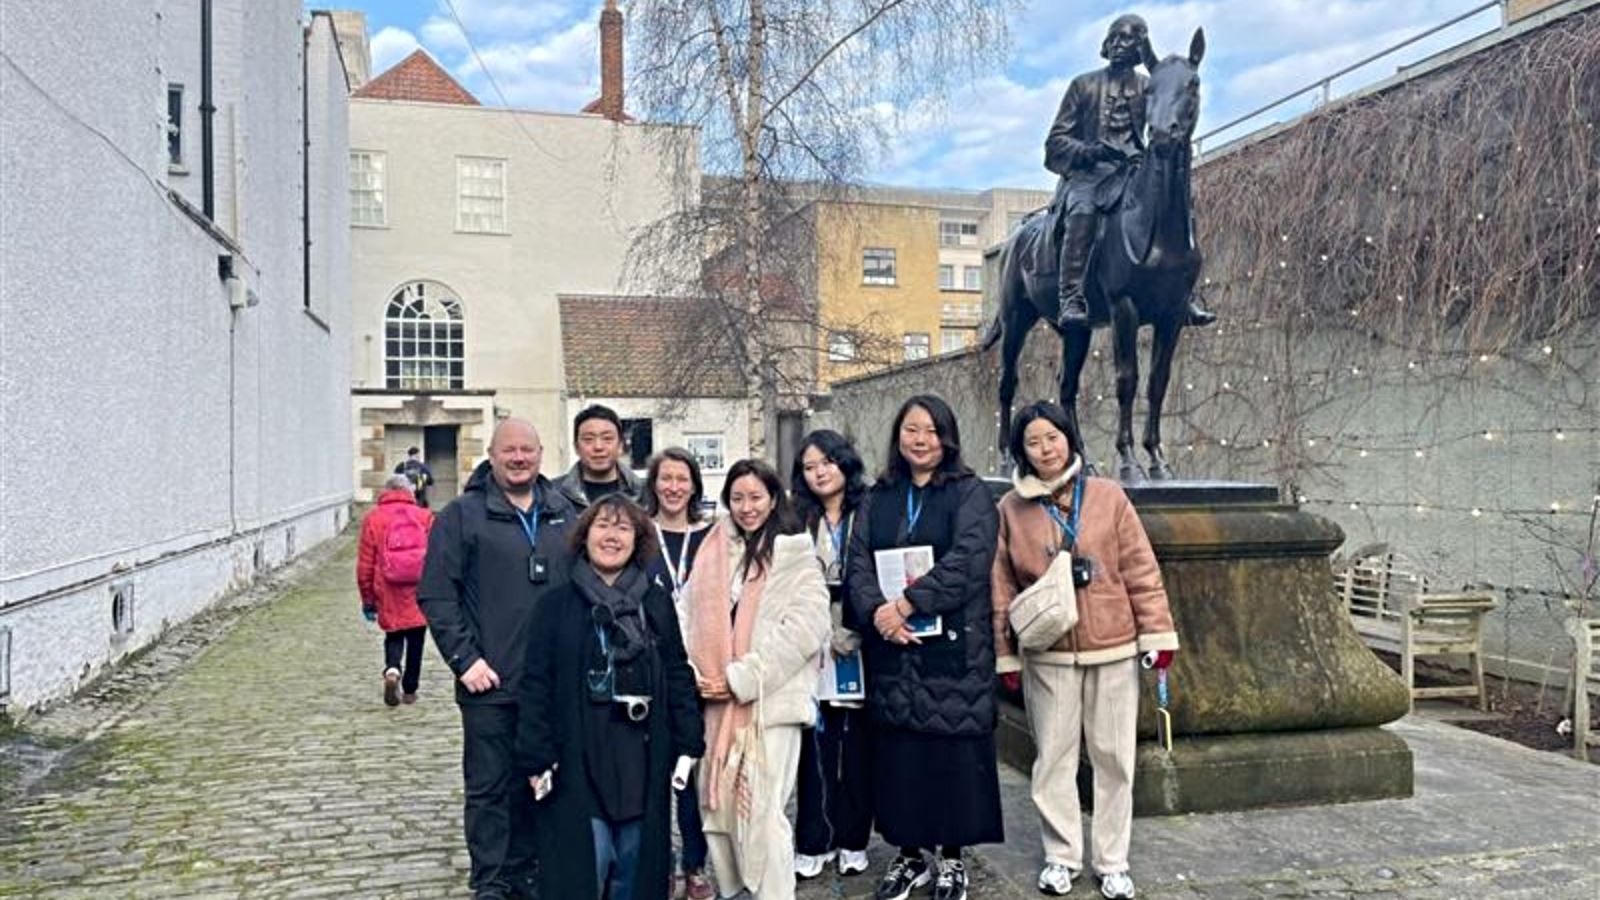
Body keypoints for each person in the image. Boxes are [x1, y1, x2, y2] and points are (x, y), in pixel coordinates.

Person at [991, 401, 1178, 900]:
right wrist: (1005, 652)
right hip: (1047, 651)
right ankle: (1061, 854)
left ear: (1069, 437)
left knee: (1114, 756)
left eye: (1052, 437)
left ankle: (1113, 859)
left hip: (1113, 646)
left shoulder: (1109, 497)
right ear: (1022, 450)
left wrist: (1157, 636)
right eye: (1033, 441)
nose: (1045, 449)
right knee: (1052, 756)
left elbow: (1140, 569)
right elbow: (1001, 585)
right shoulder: (1011, 507)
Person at [846, 394, 1002, 900]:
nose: (921, 440)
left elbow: (969, 561)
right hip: (893, 647)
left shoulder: (969, 492)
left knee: (951, 754)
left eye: (932, 431)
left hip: (953, 647)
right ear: (898, 436)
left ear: (948, 437)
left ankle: (953, 857)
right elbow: (858, 562)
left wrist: (909, 603)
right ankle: (911, 854)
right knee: (900, 757)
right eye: (912, 429)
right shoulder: (879, 495)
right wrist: (880, 615)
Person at [418, 418, 578, 900]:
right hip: (488, 683)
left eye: (527, 450)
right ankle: (491, 879)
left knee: (544, 786)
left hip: (550, 686)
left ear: (541, 453)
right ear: (491, 453)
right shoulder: (462, 516)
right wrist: (465, 660)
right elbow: (436, 595)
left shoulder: (565, 513)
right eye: (509, 450)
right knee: (489, 789)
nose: (518, 458)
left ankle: (530, 870)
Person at [517, 494, 706, 900]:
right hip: (578, 754)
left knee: (635, 867)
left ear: (637, 541)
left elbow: (677, 671)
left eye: (623, 528)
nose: (611, 536)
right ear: (584, 536)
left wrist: (689, 740)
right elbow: (535, 684)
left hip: (641, 753)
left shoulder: (655, 604)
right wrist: (535, 754)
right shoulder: (555, 606)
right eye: (603, 525)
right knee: (587, 862)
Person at [683, 459, 830, 900]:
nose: (747, 507)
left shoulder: (795, 553)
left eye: (756, 497)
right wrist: (698, 674)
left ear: (773, 499)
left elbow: (805, 629)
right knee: (722, 814)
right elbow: (687, 615)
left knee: (763, 819)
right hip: (715, 704)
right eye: (738, 498)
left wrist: (742, 678)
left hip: (770, 706)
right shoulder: (713, 549)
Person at [1045, 13, 1214, 329]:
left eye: (1133, 39)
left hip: (1134, 170)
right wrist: (1090, 151)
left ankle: (1184, 293)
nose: (1123, 44)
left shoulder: (1151, 86)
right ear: (1106, 44)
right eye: (1117, 37)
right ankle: (1071, 296)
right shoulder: (1083, 85)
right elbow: (1055, 143)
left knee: (1178, 203)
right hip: (1090, 174)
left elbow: (1169, 115)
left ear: (1142, 49)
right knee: (1082, 209)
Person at [789, 430, 874, 880]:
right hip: (812, 642)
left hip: (861, 640)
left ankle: (854, 838)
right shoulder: (795, 517)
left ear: (845, 462)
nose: (819, 472)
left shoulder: (871, 510)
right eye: (808, 466)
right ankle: (813, 838)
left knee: (857, 748)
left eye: (826, 462)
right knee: (814, 748)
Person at [640, 448, 717, 900]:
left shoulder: (713, 536)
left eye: (681, 479)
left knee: (694, 776)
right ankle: (660, 864)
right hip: (655, 668)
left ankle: (695, 863)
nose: (673, 487)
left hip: (703, 668)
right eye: (665, 479)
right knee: (653, 775)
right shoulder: (640, 533)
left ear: (693, 485)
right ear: (654, 484)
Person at [357, 474, 435, 706]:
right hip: (419, 588)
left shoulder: (374, 518)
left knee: (393, 634)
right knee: (416, 638)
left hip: (387, 587)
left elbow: (365, 566)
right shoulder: (424, 517)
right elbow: (438, 558)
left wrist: (368, 600)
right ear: (410, 491)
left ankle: (392, 670)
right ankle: (410, 689)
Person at [555, 404, 643, 509]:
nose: (598, 447)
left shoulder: (645, 494)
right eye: (588, 439)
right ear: (576, 447)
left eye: (607, 438)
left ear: (620, 445)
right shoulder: (552, 495)